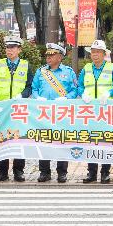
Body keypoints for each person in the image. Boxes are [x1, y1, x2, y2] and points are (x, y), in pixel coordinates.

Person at [79, 39, 113, 185]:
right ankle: (91, 173)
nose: (95, 55)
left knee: (106, 141)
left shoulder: (112, 68)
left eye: (98, 52)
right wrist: (83, 94)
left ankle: (105, 173)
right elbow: (80, 86)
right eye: (93, 52)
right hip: (89, 111)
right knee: (91, 141)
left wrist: (109, 93)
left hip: (106, 111)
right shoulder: (86, 68)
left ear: (104, 54)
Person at [31, 43, 79, 183]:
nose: (48, 57)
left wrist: (66, 98)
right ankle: (44, 172)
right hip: (44, 112)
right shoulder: (41, 71)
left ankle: (62, 172)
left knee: (62, 141)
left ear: (59, 57)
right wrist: (37, 97)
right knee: (44, 140)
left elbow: (75, 90)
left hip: (61, 112)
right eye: (47, 55)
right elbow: (34, 88)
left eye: (51, 55)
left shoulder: (69, 72)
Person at [0, 36, 30, 182]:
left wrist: (23, 95)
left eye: (13, 47)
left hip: (19, 109)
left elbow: (29, 85)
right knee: (1, 140)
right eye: (8, 47)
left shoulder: (26, 65)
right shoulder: (0, 64)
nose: (10, 50)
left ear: (19, 49)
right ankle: (2, 172)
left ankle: (19, 171)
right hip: (2, 109)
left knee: (19, 139)